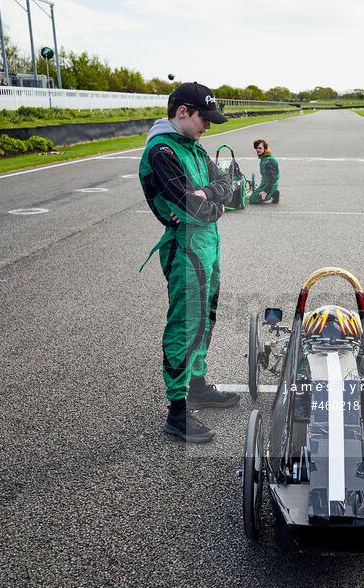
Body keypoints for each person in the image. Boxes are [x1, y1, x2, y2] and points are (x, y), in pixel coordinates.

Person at [138, 81, 239, 443]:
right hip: (185, 249)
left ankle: (197, 385)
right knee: (184, 325)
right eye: (203, 118)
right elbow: (189, 207)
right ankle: (177, 411)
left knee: (205, 319)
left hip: (207, 245)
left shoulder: (194, 147)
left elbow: (228, 184)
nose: (208, 126)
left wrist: (208, 197)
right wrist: (209, 204)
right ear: (183, 112)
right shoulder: (162, 151)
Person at [249, 139, 279, 204]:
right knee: (253, 196)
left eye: (260, 148)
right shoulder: (264, 157)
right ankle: (272, 192)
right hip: (265, 183)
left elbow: (272, 178)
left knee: (252, 199)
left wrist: (265, 192)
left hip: (270, 184)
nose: (257, 150)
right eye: (256, 148)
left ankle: (273, 193)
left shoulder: (268, 161)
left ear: (265, 148)